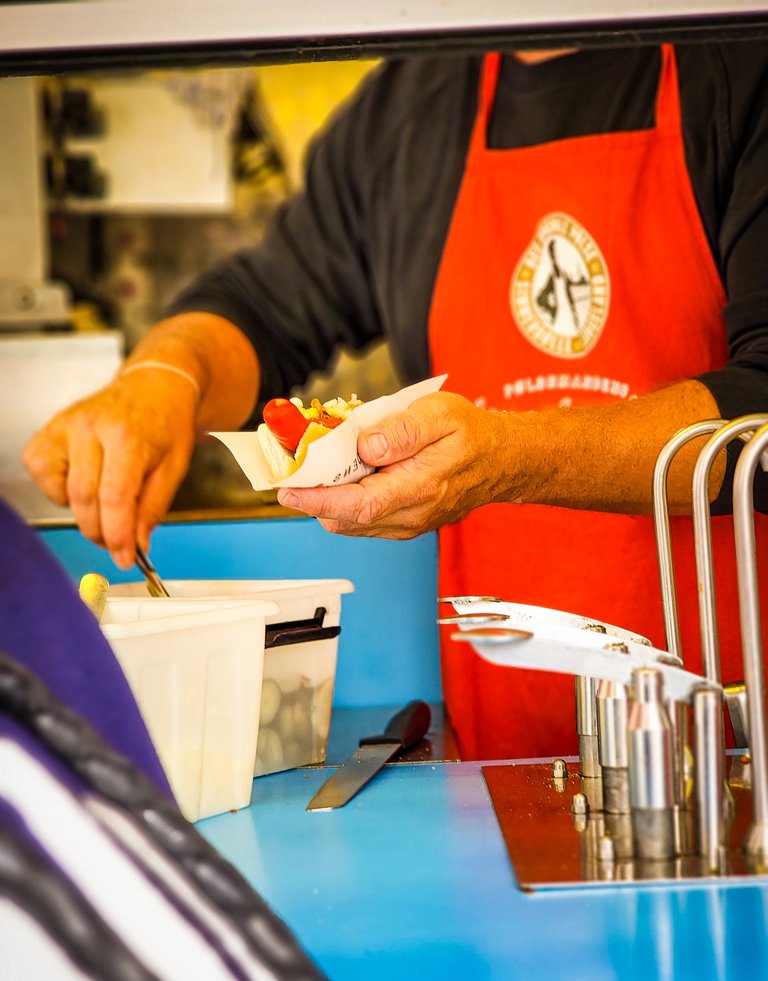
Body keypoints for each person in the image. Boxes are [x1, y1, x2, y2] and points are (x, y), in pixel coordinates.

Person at [24, 42, 768, 760]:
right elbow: (264, 308)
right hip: (497, 772)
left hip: (735, 754)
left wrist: (511, 457)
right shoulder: (409, 108)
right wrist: (166, 378)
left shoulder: (738, 61)